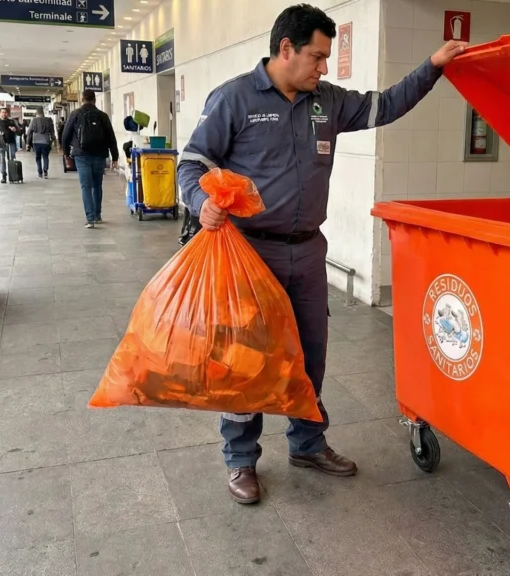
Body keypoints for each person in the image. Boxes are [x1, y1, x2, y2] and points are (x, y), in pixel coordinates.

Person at [177, 4, 465, 505]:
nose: (324, 68)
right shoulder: (234, 99)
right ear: (285, 49)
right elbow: (190, 164)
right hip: (250, 254)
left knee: (310, 357)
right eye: (316, 56)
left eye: (326, 58)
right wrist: (202, 204)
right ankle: (241, 460)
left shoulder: (325, 102)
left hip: (308, 254)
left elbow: (385, 105)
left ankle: (307, 444)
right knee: (245, 363)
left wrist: (434, 65)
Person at [61, 90, 118, 229]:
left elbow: (65, 135)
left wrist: (66, 152)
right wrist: (114, 156)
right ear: (95, 100)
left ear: (82, 99)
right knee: (97, 186)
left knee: (86, 186)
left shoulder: (75, 114)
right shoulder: (103, 116)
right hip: (100, 155)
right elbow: (111, 137)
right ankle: (98, 215)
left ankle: (90, 219)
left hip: (81, 155)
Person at [0, 107, 19, 184]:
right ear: (0, 113)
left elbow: (19, 131)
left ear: (7, 113)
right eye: (2, 112)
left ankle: (12, 175)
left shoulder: (12, 121)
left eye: (5, 112)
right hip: (1, 143)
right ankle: (4, 176)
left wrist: (15, 129)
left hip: (11, 142)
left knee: (12, 157)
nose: (4, 114)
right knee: (2, 159)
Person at [28, 109, 55, 179]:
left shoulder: (33, 120)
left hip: (36, 142)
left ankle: (40, 172)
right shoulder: (48, 120)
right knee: (45, 156)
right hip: (46, 142)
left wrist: (28, 142)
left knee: (38, 157)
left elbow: (29, 132)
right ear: (43, 113)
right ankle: (45, 171)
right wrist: (52, 139)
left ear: (36, 113)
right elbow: (52, 131)